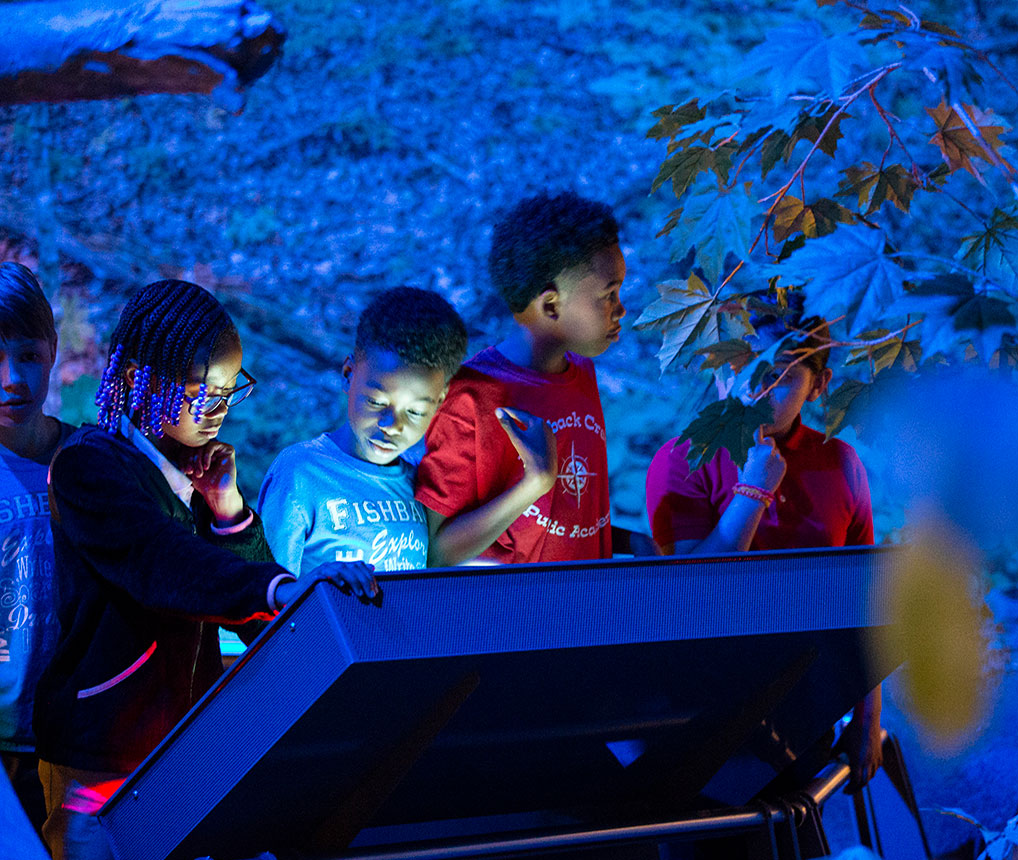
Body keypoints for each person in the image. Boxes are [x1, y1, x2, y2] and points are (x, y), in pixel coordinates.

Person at [33, 279, 378, 860]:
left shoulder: (194, 478)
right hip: (98, 759)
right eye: (202, 391)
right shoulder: (88, 467)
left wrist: (230, 513)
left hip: (179, 752)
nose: (217, 409)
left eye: (227, 391)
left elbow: (252, 623)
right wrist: (282, 587)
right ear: (140, 375)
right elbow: (162, 564)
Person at [644, 317, 883, 789]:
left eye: (782, 375)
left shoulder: (840, 463)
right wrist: (753, 489)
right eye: (740, 363)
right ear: (717, 370)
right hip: (701, 702)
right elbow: (693, 590)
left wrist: (867, 715)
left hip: (807, 697)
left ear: (818, 386)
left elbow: (861, 598)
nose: (757, 385)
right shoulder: (684, 458)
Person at [417, 191, 626, 566]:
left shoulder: (582, 373)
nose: (620, 308)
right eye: (609, 295)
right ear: (551, 305)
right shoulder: (471, 398)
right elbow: (436, 551)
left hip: (588, 608)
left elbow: (568, 516)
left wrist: (625, 542)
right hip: (516, 618)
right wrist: (535, 482)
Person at [258, 287, 468, 575]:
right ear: (348, 374)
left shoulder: (421, 487)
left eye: (415, 411)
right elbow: (264, 597)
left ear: (439, 402)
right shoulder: (300, 474)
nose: (392, 425)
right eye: (376, 401)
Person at [0, 263, 76, 837]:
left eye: (27, 355)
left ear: (51, 352)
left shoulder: (87, 461)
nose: (11, 379)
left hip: (72, 735)